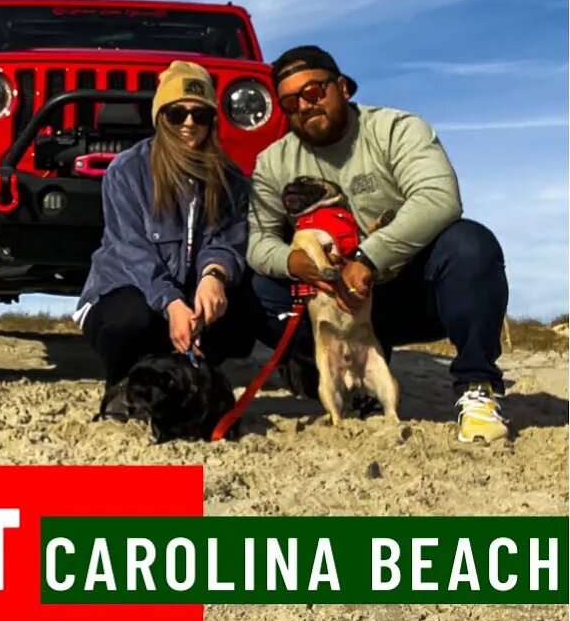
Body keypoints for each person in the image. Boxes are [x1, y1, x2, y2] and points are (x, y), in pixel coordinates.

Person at [246, 44, 511, 443]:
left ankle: (477, 387)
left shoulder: (396, 129)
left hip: (404, 291)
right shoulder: (273, 161)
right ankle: (326, 373)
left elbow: (440, 197)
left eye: (314, 92)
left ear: (342, 88)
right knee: (258, 288)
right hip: (328, 302)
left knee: (471, 245)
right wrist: (293, 261)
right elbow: (257, 242)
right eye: (289, 102)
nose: (304, 105)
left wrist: (368, 259)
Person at [74, 60, 258, 387]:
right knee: (131, 321)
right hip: (128, 288)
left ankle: (192, 371)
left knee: (239, 312)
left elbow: (228, 241)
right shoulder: (126, 170)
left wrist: (214, 276)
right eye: (177, 113)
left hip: (189, 287)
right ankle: (123, 383)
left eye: (200, 115)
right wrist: (171, 302)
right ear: (160, 117)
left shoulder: (231, 180)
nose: (189, 123)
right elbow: (131, 249)